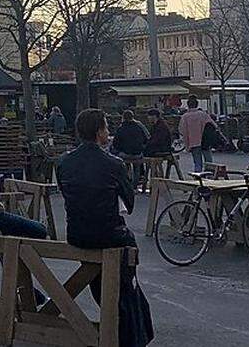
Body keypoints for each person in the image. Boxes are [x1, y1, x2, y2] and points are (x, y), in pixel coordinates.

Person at [57, 109, 154, 347]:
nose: (108, 133)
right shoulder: (114, 164)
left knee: (103, 281)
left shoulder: (63, 163)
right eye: (106, 128)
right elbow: (129, 204)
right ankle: (132, 334)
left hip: (78, 235)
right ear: (100, 131)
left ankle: (116, 320)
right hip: (110, 236)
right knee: (126, 284)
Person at [179, 96, 213, 172]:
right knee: (208, 161)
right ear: (197, 105)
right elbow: (212, 125)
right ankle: (210, 174)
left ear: (188, 105)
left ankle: (198, 176)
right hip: (205, 141)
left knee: (197, 161)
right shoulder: (203, 114)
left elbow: (182, 130)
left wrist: (187, 144)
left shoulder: (185, 117)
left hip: (193, 142)